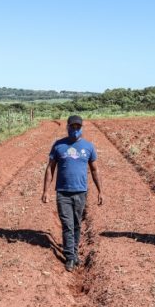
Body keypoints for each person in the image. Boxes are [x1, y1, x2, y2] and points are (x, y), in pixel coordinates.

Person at [42, 115, 103, 272]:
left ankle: (74, 252)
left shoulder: (88, 147)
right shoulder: (58, 145)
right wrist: (45, 191)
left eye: (78, 127)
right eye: (72, 126)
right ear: (67, 127)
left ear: (81, 128)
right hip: (63, 192)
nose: (75, 129)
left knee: (76, 224)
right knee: (67, 225)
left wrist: (100, 191)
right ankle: (70, 257)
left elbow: (94, 170)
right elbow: (50, 168)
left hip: (81, 192)